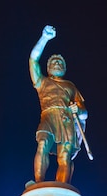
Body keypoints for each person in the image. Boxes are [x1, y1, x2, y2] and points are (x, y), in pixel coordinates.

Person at [29, 25, 88, 184]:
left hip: (66, 120)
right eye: (54, 62)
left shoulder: (70, 86)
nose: (57, 63)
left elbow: (84, 113)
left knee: (65, 156)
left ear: (65, 68)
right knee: (42, 144)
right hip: (48, 116)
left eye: (60, 62)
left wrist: (78, 109)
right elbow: (33, 60)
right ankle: (39, 183)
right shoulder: (42, 82)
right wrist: (44, 38)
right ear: (48, 68)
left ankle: (62, 187)